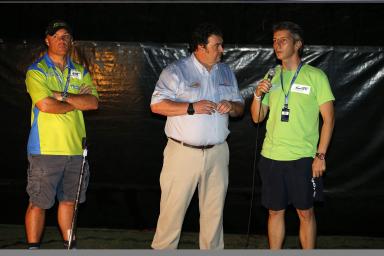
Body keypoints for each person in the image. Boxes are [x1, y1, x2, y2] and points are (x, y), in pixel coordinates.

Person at [150, 23, 244, 249]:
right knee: (172, 213)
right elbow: (156, 105)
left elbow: (240, 106)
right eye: (217, 45)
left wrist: (231, 105)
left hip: (218, 153)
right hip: (183, 154)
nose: (222, 50)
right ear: (201, 47)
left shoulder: (226, 72)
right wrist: (191, 107)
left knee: (214, 213)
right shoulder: (176, 71)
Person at [250, 21, 335, 249]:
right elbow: (257, 117)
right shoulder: (271, 76)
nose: (277, 45)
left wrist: (321, 155)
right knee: (274, 212)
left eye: (283, 40)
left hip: (303, 158)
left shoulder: (315, 76)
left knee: (305, 212)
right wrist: (257, 95)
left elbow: (329, 119)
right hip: (271, 156)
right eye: (275, 41)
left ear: (298, 44)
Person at [24, 20, 98, 249]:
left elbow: (93, 102)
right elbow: (45, 105)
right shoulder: (37, 71)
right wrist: (77, 101)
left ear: (71, 41)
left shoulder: (80, 70)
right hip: (45, 149)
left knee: (69, 202)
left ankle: (69, 247)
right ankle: (33, 248)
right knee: (39, 203)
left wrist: (62, 96)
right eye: (56, 36)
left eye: (66, 36)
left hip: (76, 149)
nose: (62, 40)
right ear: (47, 40)